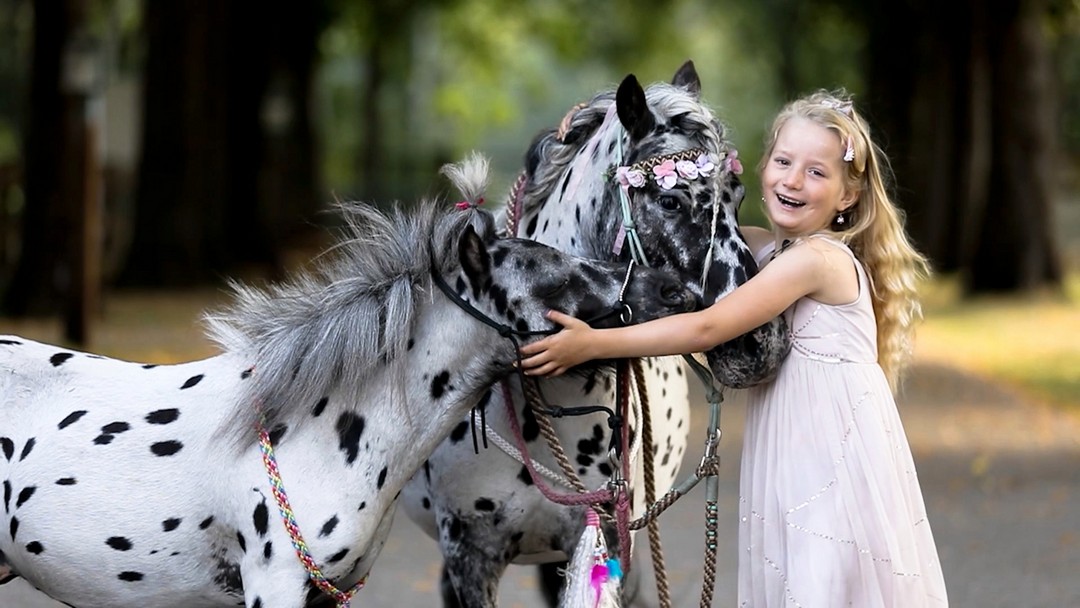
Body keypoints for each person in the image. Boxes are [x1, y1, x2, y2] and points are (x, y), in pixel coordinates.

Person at [520, 89, 949, 607]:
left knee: (824, 576)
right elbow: (695, 232)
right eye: (784, 161)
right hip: (792, 447)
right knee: (797, 573)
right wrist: (601, 117)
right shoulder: (770, 247)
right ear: (760, 165)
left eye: (817, 172)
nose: (792, 180)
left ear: (847, 196)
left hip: (830, 453)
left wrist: (592, 344)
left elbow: (707, 328)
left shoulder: (817, 259)